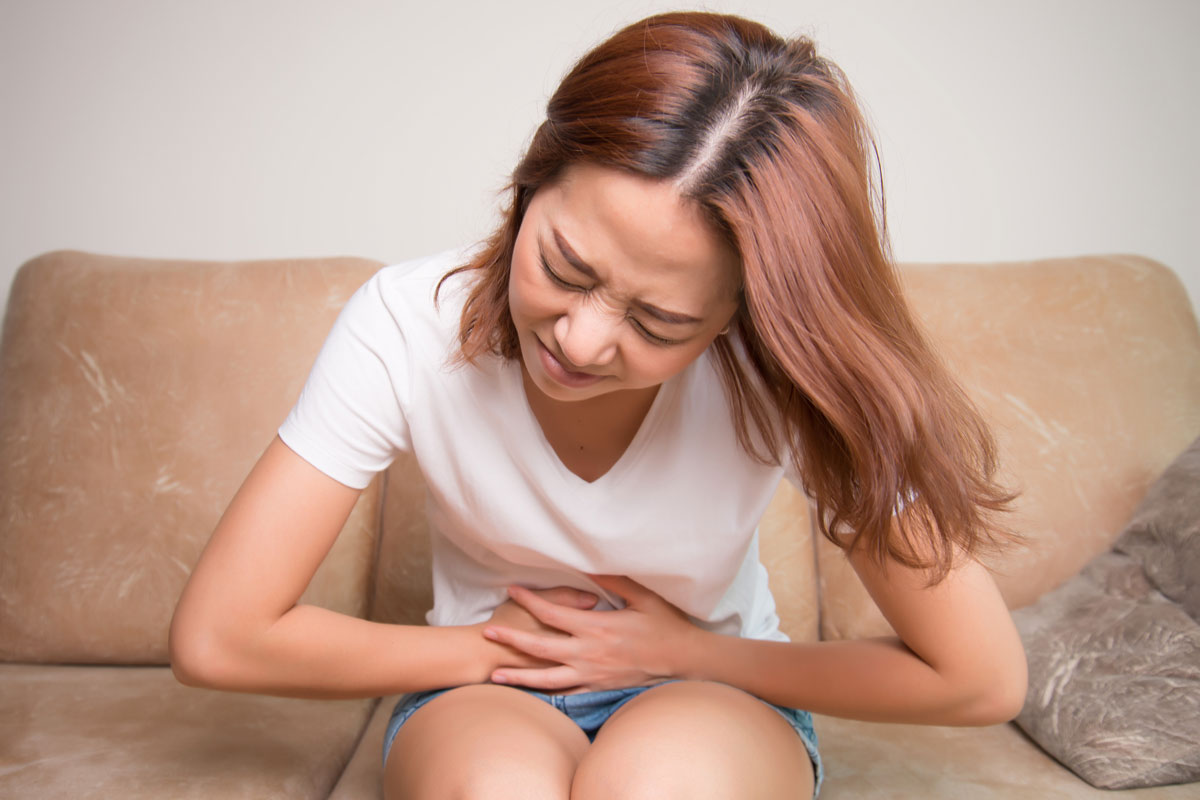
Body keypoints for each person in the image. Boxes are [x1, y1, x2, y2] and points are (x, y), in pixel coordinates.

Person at [169, 10, 1027, 799]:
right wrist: (490, 647)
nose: (579, 343)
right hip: (483, 690)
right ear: (531, 181)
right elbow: (220, 636)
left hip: (712, 691)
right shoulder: (405, 320)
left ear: (741, 317)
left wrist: (687, 652)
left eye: (660, 321)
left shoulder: (782, 369)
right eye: (565, 268)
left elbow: (978, 676)